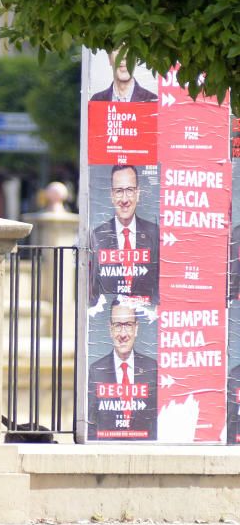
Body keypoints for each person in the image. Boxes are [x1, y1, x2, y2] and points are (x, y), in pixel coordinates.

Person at [89, 164, 160, 306]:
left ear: (138, 193)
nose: (125, 199)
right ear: (111, 195)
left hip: (148, 320)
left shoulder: (154, 233)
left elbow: (159, 287)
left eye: (129, 190)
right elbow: (92, 293)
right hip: (109, 320)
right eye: (119, 191)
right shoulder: (97, 236)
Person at [87, 302, 157, 440]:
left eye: (128, 325)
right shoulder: (96, 370)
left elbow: (157, 420)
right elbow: (90, 423)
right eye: (118, 325)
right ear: (110, 329)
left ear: (136, 328)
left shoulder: (151, 368)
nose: (123, 334)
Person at [91, 50, 157, 102]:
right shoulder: (96, 100)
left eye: (129, 48)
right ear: (109, 58)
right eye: (117, 48)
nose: (124, 56)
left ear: (137, 58)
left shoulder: (152, 101)